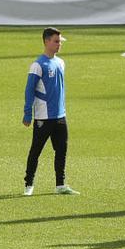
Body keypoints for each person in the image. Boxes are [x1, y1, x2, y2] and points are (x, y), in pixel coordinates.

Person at [22, 27, 78, 196]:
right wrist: (27, 113)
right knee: (36, 151)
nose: (59, 44)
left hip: (60, 115)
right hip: (43, 117)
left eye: (60, 41)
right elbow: (29, 90)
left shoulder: (61, 62)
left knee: (61, 150)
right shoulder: (38, 65)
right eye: (56, 41)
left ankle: (60, 185)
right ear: (46, 41)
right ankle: (29, 184)